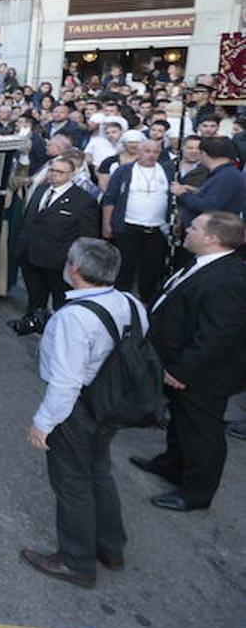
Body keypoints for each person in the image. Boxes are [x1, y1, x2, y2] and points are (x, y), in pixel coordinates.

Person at [21, 239, 146, 588]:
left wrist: (42, 424)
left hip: (79, 409)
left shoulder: (73, 318)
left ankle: (76, 561)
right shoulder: (132, 303)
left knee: (73, 483)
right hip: (114, 402)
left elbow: (66, 383)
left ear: (74, 269)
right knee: (99, 472)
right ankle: (111, 546)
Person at [130, 212, 246, 511]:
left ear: (212, 238)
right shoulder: (205, 261)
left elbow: (217, 336)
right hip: (179, 361)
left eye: (194, 227)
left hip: (203, 374)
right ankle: (172, 464)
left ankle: (196, 492)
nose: (187, 229)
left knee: (202, 431)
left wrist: (182, 370)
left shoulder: (229, 279)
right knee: (180, 419)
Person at [13, 153, 100, 335]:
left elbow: (87, 238)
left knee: (61, 301)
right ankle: (31, 323)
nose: (54, 174)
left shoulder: (84, 201)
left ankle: (59, 333)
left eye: (60, 172)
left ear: (71, 174)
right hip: (30, 255)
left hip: (58, 263)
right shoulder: (40, 190)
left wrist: (76, 263)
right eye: (52, 170)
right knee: (35, 295)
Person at [100, 138, 173, 302]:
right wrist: (107, 224)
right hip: (128, 227)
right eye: (147, 151)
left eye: (155, 152)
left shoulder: (167, 171)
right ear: (139, 152)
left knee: (153, 269)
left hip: (157, 229)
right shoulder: (124, 171)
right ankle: (120, 301)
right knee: (125, 267)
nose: (151, 155)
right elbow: (110, 198)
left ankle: (147, 302)